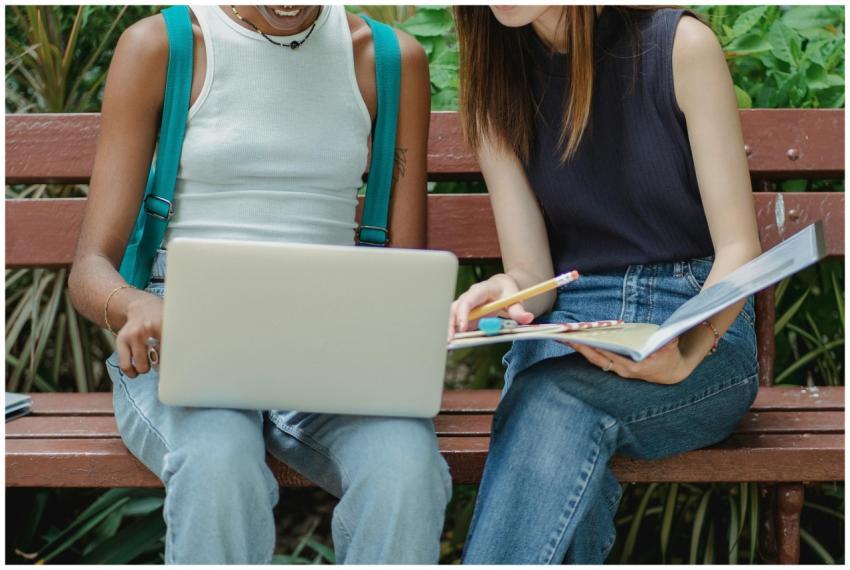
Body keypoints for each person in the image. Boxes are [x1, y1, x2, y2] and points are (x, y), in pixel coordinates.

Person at [68, 5, 449, 564]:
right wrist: (132, 305)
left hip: (335, 344)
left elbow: (404, 266)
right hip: (187, 341)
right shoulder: (165, 46)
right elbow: (89, 270)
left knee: (406, 469)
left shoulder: (389, 60)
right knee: (216, 462)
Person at [450, 6, 761, 564]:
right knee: (550, 408)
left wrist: (687, 348)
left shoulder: (680, 46)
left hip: (699, 320)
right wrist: (505, 290)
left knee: (548, 404)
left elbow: (739, 248)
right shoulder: (495, 79)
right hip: (569, 334)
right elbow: (532, 276)